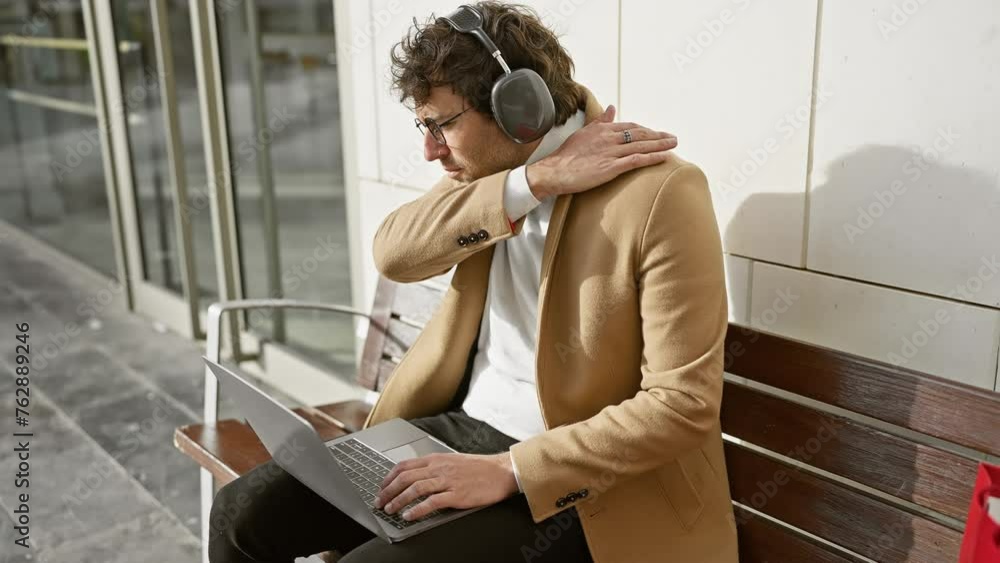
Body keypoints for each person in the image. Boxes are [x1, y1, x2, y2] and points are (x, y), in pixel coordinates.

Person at [209, 2, 737, 562]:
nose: (430, 151)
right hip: (463, 433)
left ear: (520, 111)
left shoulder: (662, 193)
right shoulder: (497, 176)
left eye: (441, 126)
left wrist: (510, 470)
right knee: (240, 515)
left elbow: (682, 405)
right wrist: (534, 181)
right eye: (424, 126)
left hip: (585, 487)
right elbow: (394, 253)